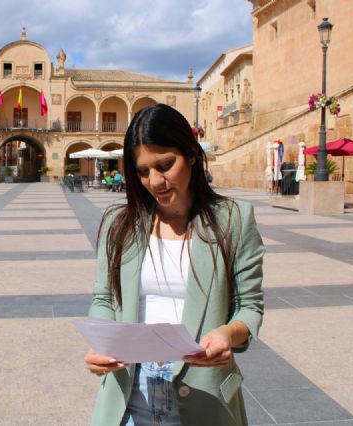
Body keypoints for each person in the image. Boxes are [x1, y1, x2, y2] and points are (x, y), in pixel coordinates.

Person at [84, 104, 264, 425]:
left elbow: (249, 306)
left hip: (204, 394)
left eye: (165, 165)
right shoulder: (119, 222)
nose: (155, 181)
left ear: (192, 155)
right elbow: (104, 299)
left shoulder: (233, 219)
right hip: (129, 393)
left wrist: (228, 333)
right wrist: (103, 343)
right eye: (142, 171)